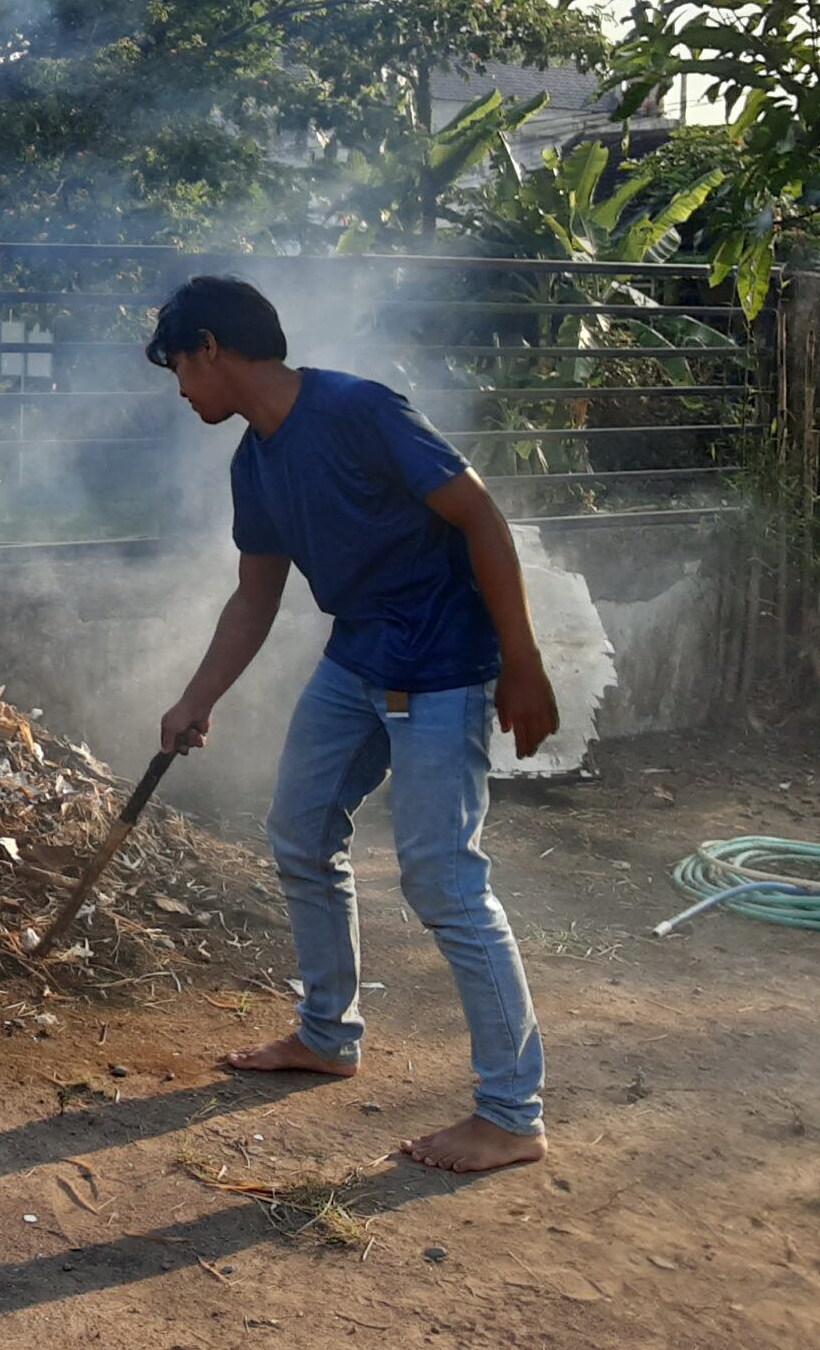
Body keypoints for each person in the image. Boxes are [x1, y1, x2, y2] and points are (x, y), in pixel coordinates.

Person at [145, 275, 557, 1174]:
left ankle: (511, 1114)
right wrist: (197, 696)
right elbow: (255, 600)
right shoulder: (254, 460)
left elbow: (479, 514)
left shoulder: (361, 412)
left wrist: (521, 662)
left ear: (210, 347)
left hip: (442, 663)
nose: (179, 388)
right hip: (358, 659)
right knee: (298, 830)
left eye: (179, 365)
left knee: (442, 879)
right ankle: (328, 1034)